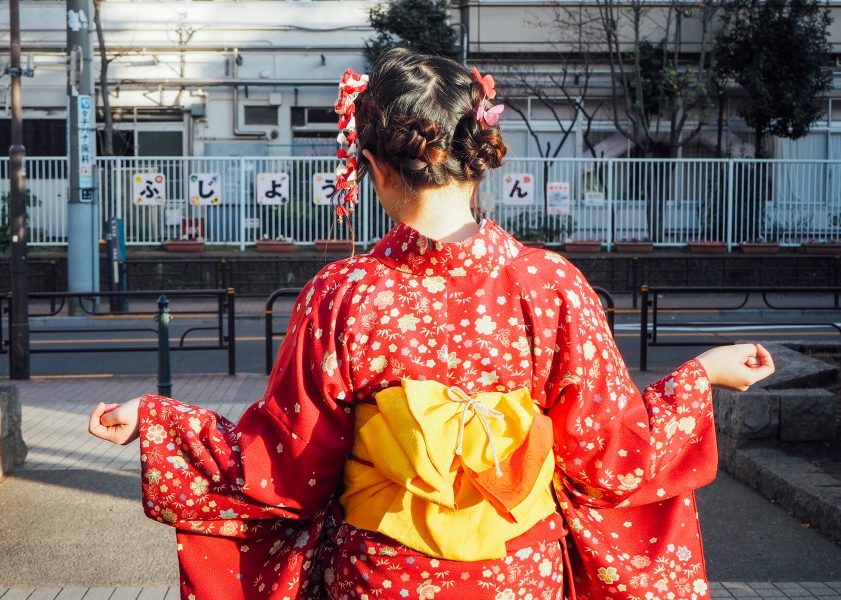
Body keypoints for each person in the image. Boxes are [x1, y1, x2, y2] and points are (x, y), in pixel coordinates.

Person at [89, 46, 775, 600]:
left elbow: (285, 466)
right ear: (479, 159)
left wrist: (153, 420)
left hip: (384, 576)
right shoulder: (550, 284)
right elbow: (607, 456)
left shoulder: (343, 293)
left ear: (376, 170)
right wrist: (700, 376)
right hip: (519, 575)